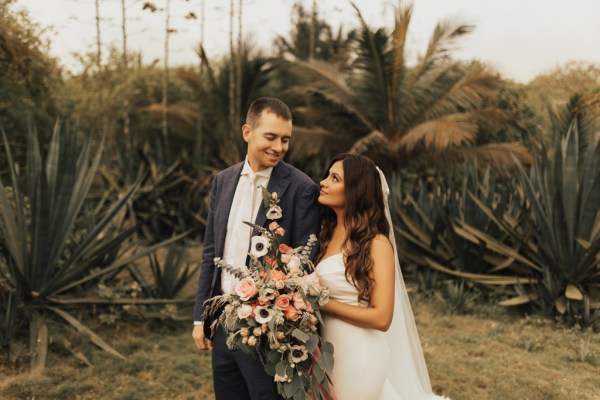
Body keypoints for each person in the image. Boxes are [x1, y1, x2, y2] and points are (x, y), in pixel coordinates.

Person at [192, 97, 320, 400]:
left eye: (285, 139)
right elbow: (211, 251)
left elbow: (304, 261)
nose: (278, 146)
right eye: (271, 137)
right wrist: (201, 317)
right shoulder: (222, 181)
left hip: (267, 330)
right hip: (221, 321)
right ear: (247, 132)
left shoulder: (302, 188)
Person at [316, 153, 449, 400]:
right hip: (327, 353)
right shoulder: (325, 234)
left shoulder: (376, 244)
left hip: (359, 353)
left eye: (334, 178)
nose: (323, 182)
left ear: (355, 191)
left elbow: (382, 317)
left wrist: (323, 303)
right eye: (327, 175)